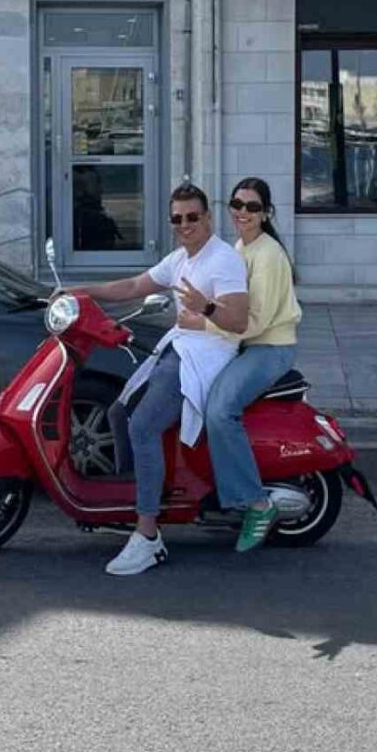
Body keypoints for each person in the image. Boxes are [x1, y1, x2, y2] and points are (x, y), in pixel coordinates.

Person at [60, 182, 248, 576]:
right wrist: (79, 292)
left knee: (142, 426)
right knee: (118, 412)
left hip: (204, 357)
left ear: (208, 218)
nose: (185, 224)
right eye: (177, 219)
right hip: (179, 348)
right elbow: (132, 286)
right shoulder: (179, 259)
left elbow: (238, 321)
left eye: (192, 217)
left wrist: (205, 307)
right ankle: (134, 500)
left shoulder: (225, 260)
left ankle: (148, 535)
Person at [181, 177, 302, 554]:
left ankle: (256, 504)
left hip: (269, 348)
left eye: (252, 207)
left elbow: (255, 322)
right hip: (243, 343)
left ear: (266, 213)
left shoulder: (268, 255)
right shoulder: (239, 248)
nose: (242, 212)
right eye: (237, 205)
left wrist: (201, 322)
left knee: (220, 410)